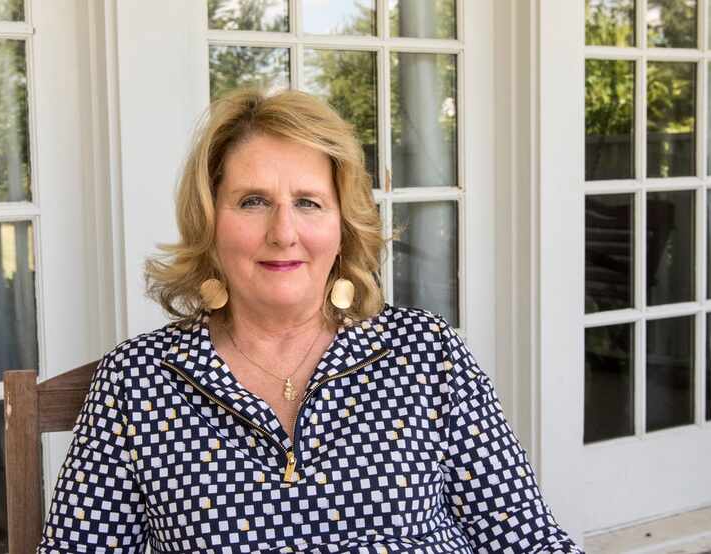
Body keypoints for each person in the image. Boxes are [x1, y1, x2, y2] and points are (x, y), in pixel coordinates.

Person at [37, 88, 582, 553]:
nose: (283, 232)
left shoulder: (428, 353)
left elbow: (527, 540)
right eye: (252, 201)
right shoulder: (137, 381)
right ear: (209, 223)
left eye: (309, 202)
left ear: (344, 224)